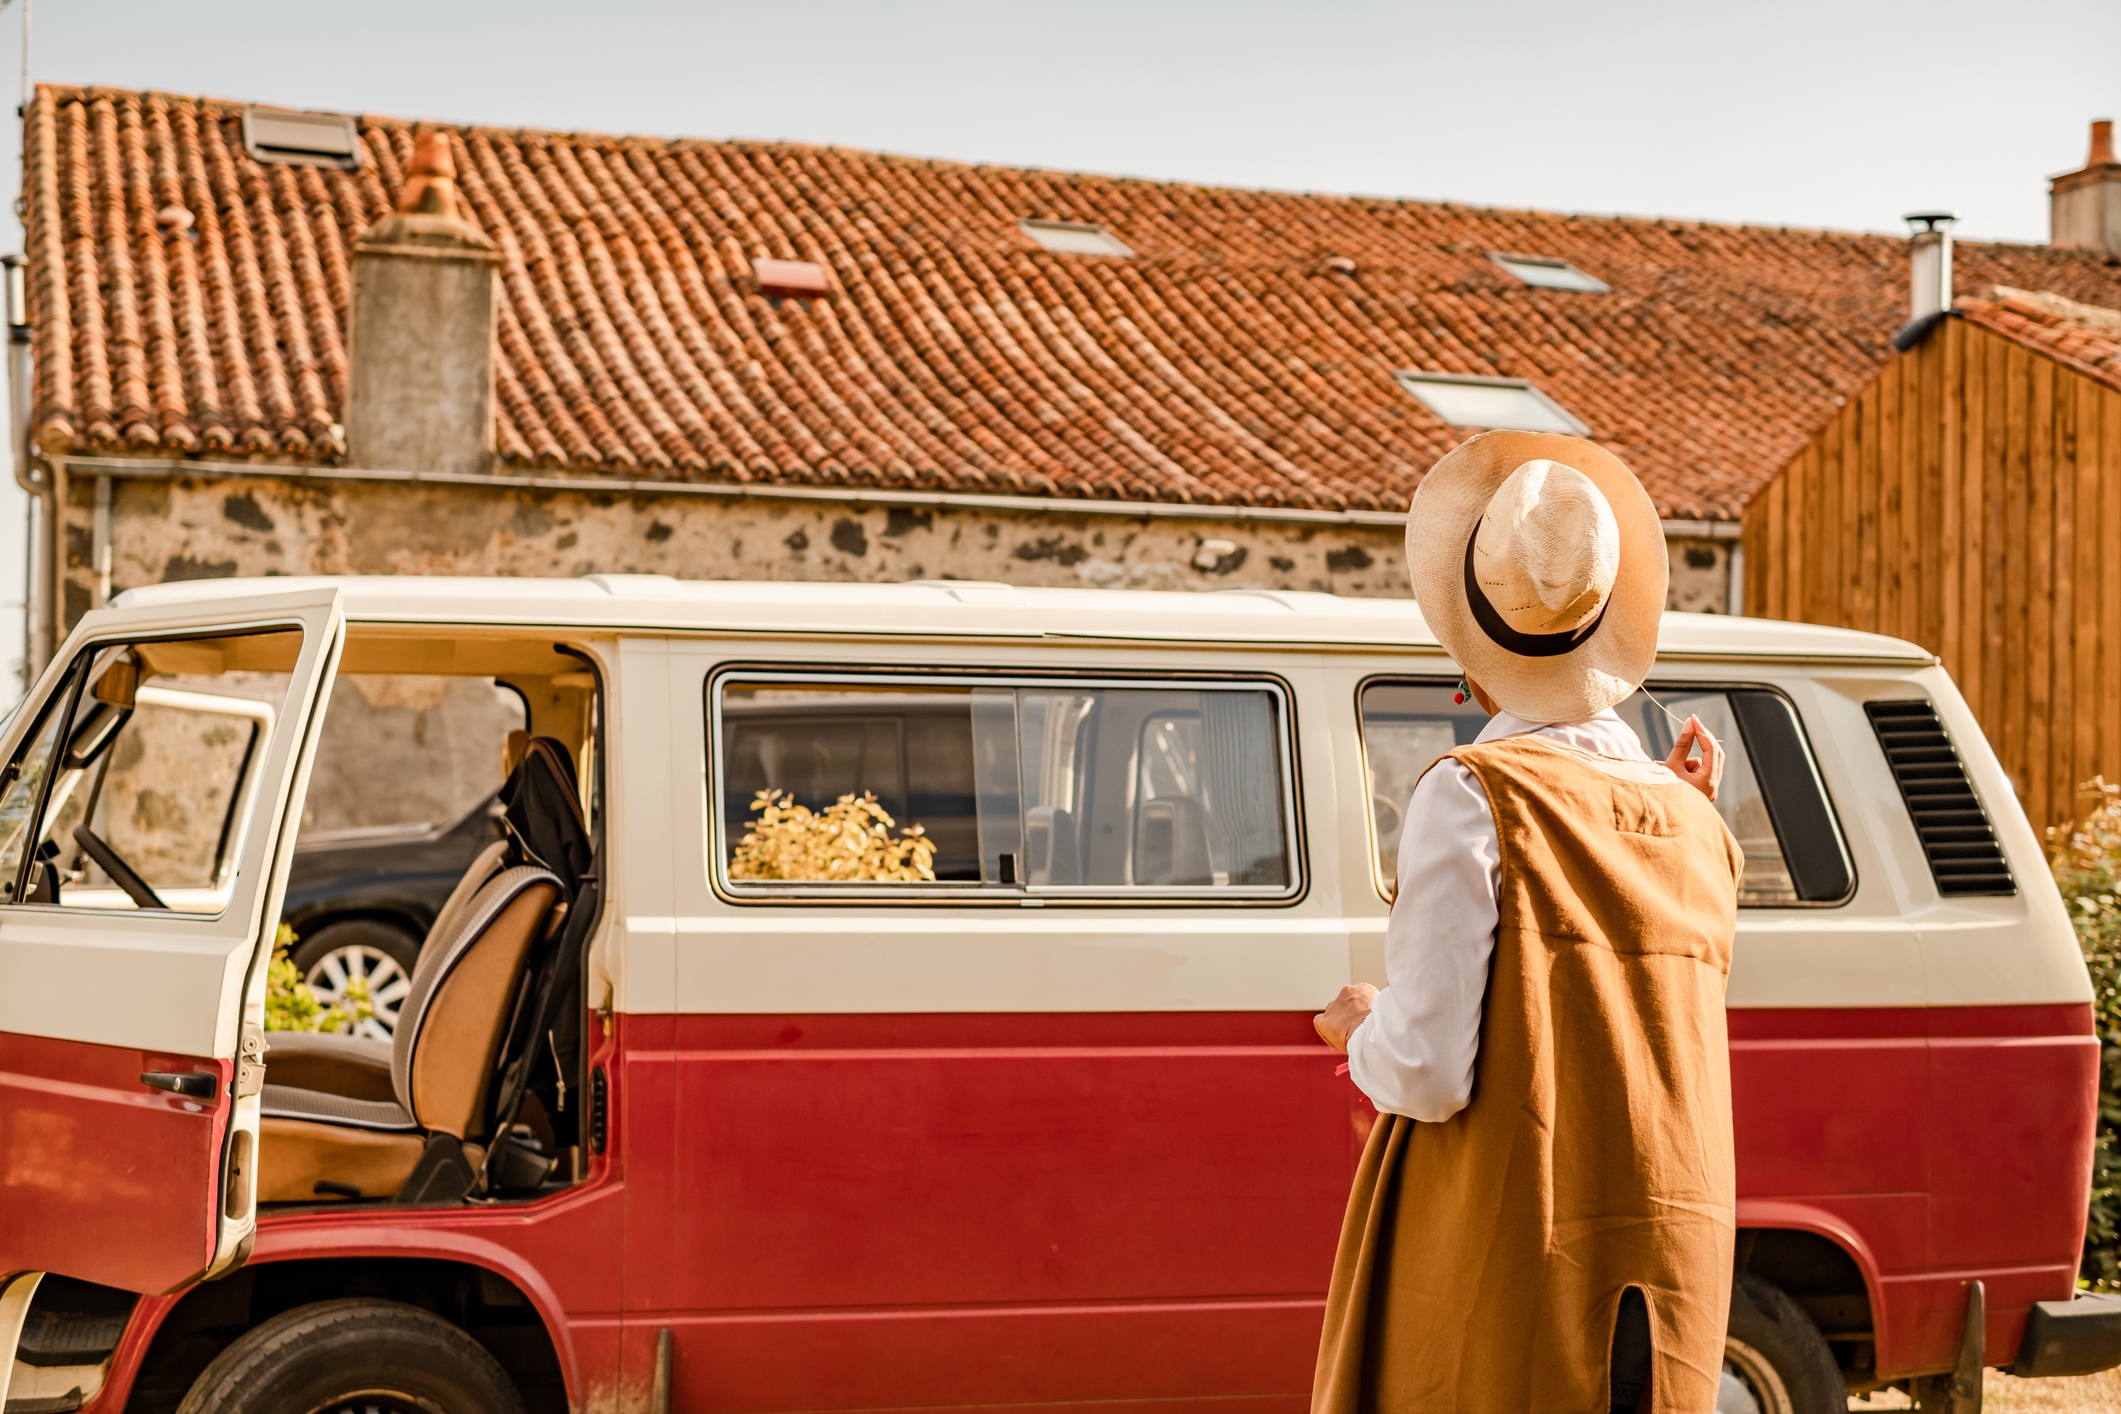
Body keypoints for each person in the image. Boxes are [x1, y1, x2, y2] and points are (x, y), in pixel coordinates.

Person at [1310, 431, 1742, 1414]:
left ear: (1471, 652)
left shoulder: (1472, 794)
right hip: (1674, 1263)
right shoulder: (1693, 820)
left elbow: (1425, 1069)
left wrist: (1360, 1023)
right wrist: (1685, 806)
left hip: (1519, 1252)